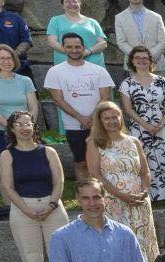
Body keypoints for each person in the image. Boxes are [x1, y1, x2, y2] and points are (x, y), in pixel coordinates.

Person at [0, 111, 69, 262]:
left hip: (52, 206)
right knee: (31, 258)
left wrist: (52, 205)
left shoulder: (48, 151)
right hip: (23, 208)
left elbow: (59, 181)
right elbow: (8, 187)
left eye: (28, 124)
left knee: (61, 255)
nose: (25, 128)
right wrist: (27, 210)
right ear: (12, 129)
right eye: (20, 124)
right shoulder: (7, 155)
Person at [119, 46, 165, 200]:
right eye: (137, 58)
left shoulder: (161, 81)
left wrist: (160, 125)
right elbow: (128, 109)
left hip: (164, 126)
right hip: (140, 127)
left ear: (151, 61)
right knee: (145, 159)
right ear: (132, 61)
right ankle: (150, 195)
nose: (141, 60)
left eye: (145, 58)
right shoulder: (127, 83)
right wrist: (146, 126)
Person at [48, 35, 115, 166]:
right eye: (69, 47)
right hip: (73, 125)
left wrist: (92, 118)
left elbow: (105, 97)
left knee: (105, 162)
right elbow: (57, 99)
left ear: (83, 47)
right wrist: (80, 118)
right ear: (63, 48)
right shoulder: (55, 71)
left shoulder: (99, 70)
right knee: (81, 163)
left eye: (77, 46)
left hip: (100, 123)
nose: (74, 50)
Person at [0, 44, 40, 155]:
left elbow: (33, 108)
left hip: (27, 132)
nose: (7, 61)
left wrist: (29, 127)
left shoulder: (26, 80)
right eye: (2, 58)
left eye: (9, 58)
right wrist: (13, 129)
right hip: (3, 132)